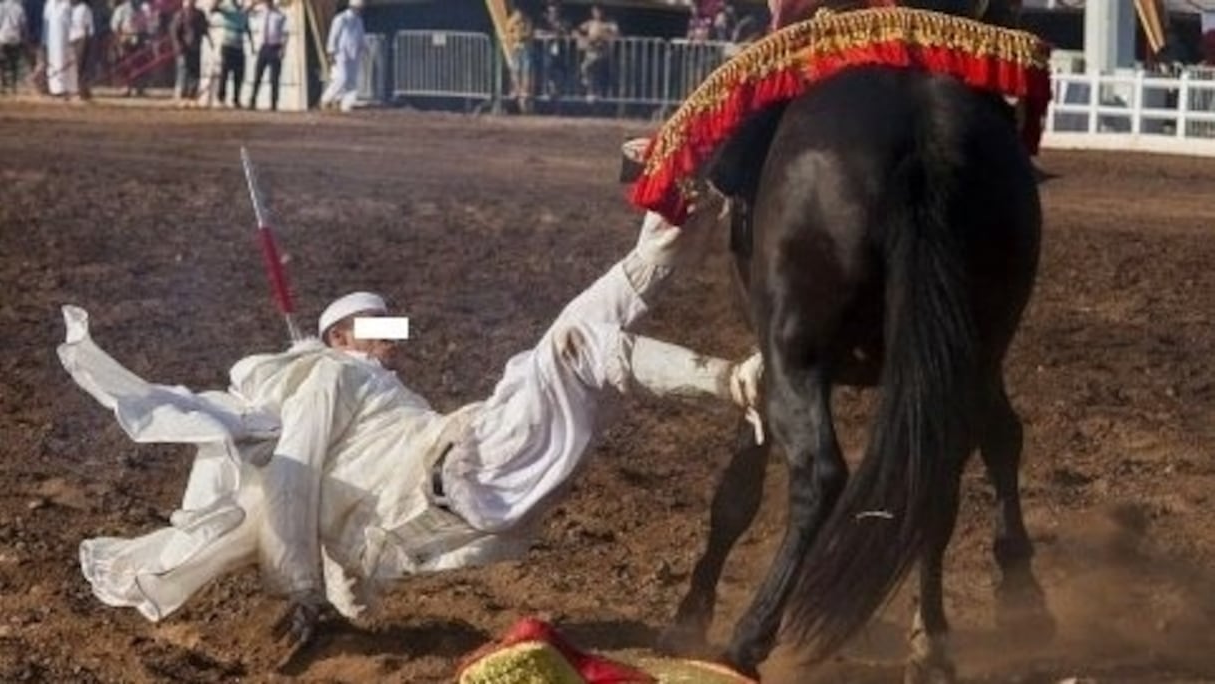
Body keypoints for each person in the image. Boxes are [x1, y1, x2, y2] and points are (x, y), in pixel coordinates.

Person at [61, 205, 763, 648]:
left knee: (571, 337)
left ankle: (668, 223)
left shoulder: (372, 390)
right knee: (573, 351)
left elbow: (348, 538)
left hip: (462, 469)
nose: (394, 337)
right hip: (453, 475)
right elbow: (294, 479)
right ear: (339, 336)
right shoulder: (334, 377)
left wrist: (344, 606)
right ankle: (740, 382)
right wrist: (304, 591)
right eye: (377, 326)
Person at [319, 0, 362, 112]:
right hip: (341, 53)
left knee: (352, 81)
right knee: (341, 78)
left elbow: (360, 36)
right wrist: (331, 51)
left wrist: (363, 47)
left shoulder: (358, 21)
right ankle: (326, 99)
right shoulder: (341, 19)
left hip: (353, 53)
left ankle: (346, 105)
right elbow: (334, 35)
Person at [246, 0, 285, 110]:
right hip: (263, 47)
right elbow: (246, 12)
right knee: (257, 75)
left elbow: (285, 33)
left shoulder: (279, 15)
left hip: (275, 46)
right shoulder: (261, 12)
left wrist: (283, 49)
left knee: (274, 78)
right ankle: (252, 101)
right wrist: (256, 3)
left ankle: (274, 103)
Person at [211, 0, 250, 108]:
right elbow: (213, 9)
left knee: (239, 74)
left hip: (239, 46)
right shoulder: (229, 11)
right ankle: (221, 98)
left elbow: (247, 27)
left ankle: (236, 99)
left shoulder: (244, 13)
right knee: (225, 72)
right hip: (228, 45)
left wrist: (252, 45)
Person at [575, 4, 617, 101]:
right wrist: (583, 39)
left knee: (595, 71)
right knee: (587, 69)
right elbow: (576, 30)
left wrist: (603, 36)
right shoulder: (590, 23)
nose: (598, 13)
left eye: (599, 11)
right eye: (595, 11)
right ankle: (590, 92)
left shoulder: (609, 23)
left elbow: (617, 34)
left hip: (603, 53)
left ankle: (597, 93)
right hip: (591, 52)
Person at [169, 0, 208, 105]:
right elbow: (174, 32)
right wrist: (178, 46)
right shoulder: (180, 14)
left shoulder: (200, 14)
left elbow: (205, 29)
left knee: (195, 72)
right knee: (183, 71)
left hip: (196, 47)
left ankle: (192, 96)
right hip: (184, 48)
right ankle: (181, 95)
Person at [504, 6, 533, 113]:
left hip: (525, 47)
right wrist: (515, 37)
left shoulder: (527, 20)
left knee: (526, 69)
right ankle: (516, 89)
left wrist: (522, 36)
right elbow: (507, 32)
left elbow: (529, 33)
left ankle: (525, 90)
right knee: (515, 69)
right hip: (516, 47)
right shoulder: (511, 21)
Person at [41, 0, 69, 96]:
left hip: (64, 38)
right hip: (51, 39)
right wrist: (44, 39)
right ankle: (53, 89)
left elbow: (71, 22)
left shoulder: (67, 4)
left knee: (62, 61)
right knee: (52, 63)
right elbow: (46, 22)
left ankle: (63, 88)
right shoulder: (49, 4)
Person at [0, 0, 27, 94]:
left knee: (2, 63)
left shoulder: (1, 6)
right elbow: (23, 24)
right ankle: (13, 87)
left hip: (3, 37)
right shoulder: (19, 7)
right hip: (15, 38)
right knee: (14, 64)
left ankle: (2, 85)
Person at [66, 0, 90, 99]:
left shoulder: (84, 8)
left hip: (81, 38)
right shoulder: (68, 8)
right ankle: (72, 90)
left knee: (80, 66)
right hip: (71, 39)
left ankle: (81, 90)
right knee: (71, 67)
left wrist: (86, 41)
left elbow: (88, 26)